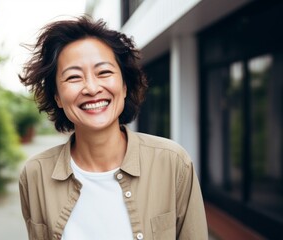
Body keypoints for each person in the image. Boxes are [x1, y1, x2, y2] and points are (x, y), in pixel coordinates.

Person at [18, 16, 208, 240]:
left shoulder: (173, 163)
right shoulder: (35, 174)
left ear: (125, 86)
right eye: (73, 77)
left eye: (104, 72)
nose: (91, 87)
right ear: (58, 97)